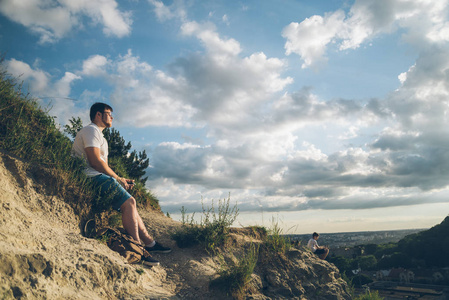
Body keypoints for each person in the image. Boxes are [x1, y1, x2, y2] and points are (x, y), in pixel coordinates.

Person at [72, 102, 170, 266]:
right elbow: (95, 162)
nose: (112, 117)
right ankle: (139, 250)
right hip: (88, 177)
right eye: (109, 113)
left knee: (130, 202)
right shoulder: (91, 130)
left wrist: (121, 179)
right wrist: (117, 179)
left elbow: (104, 166)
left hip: (97, 176)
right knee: (130, 202)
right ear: (98, 115)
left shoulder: (101, 137)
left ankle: (150, 244)